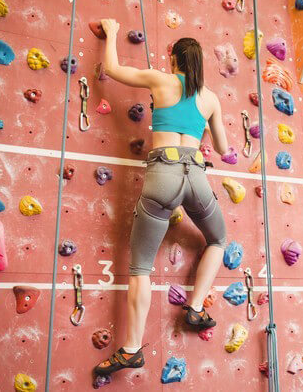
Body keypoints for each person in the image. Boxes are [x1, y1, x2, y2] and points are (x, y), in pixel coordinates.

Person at [94, 19, 229, 377]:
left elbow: (113, 69)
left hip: (162, 176)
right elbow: (224, 147)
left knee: (140, 268)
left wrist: (110, 32)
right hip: (197, 177)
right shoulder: (211, 97)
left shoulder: (161, 79)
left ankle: (132, 348)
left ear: (174, 60)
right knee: (218, 239)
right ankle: (196, 306)